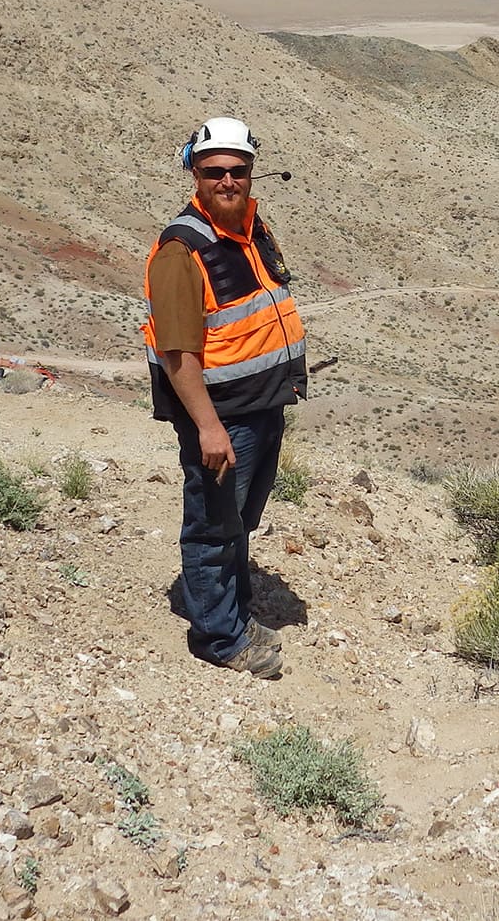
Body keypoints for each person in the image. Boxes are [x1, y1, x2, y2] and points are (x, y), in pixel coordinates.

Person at [141, 116, 307, 679]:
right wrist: (209, 429)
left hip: (261, 404)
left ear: (251, 171)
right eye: (215, 172)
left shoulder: (251, 228)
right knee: (214, 525)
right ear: (195, 172)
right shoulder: (181, 252)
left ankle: (225, 610)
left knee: (238, 520)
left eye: (238, 170)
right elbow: (177, 353)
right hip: (222, 418)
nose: (228, 181)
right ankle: (219, 638)